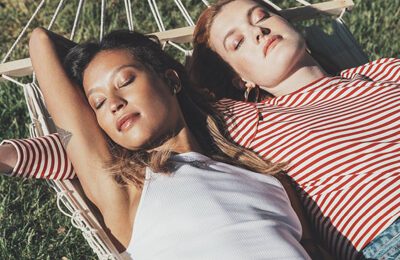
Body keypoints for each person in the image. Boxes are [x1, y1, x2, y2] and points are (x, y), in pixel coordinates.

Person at [0, 28, 313, 259]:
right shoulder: (128, 190)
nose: (114, 103)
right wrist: (92, 58)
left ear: (172, 80)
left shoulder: (267, 176)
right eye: (97, 103)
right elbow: (40, 42)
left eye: (125, 81)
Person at [188, 0, 400, 259]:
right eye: (237, 42)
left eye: (261, 16)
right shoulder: (248, 121)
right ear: (240, 78)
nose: (258, 31)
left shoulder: (384, 71)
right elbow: (165, 103)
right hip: (389, 233)